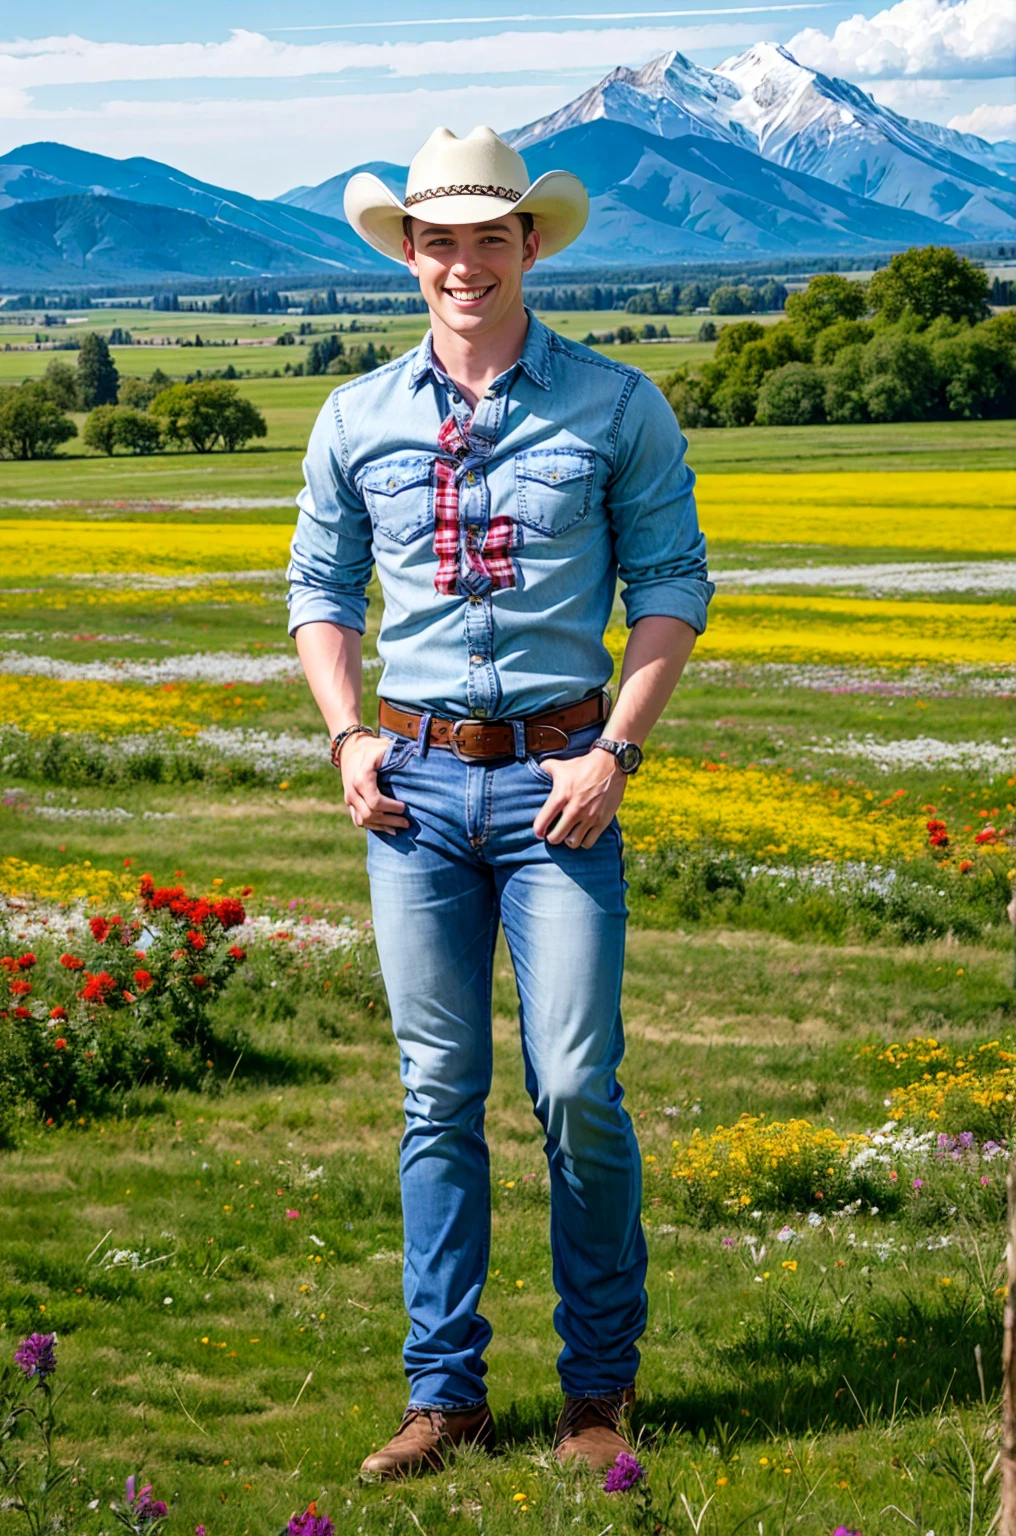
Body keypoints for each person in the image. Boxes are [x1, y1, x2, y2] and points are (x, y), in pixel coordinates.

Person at [287, 124, 713, 1480]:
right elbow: (317, 593)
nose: (462, 261)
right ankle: (446, 1398)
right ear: (407, 254)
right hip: (408, 792)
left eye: (488, 236)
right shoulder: (355, 415)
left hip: (561, 788)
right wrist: (349, 737)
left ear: (532, 244)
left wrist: (615, 756)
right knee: (435, 1094)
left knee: (578, 1083)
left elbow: (671, 591)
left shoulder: (618, 405)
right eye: (438, 239)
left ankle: (598, 1400)